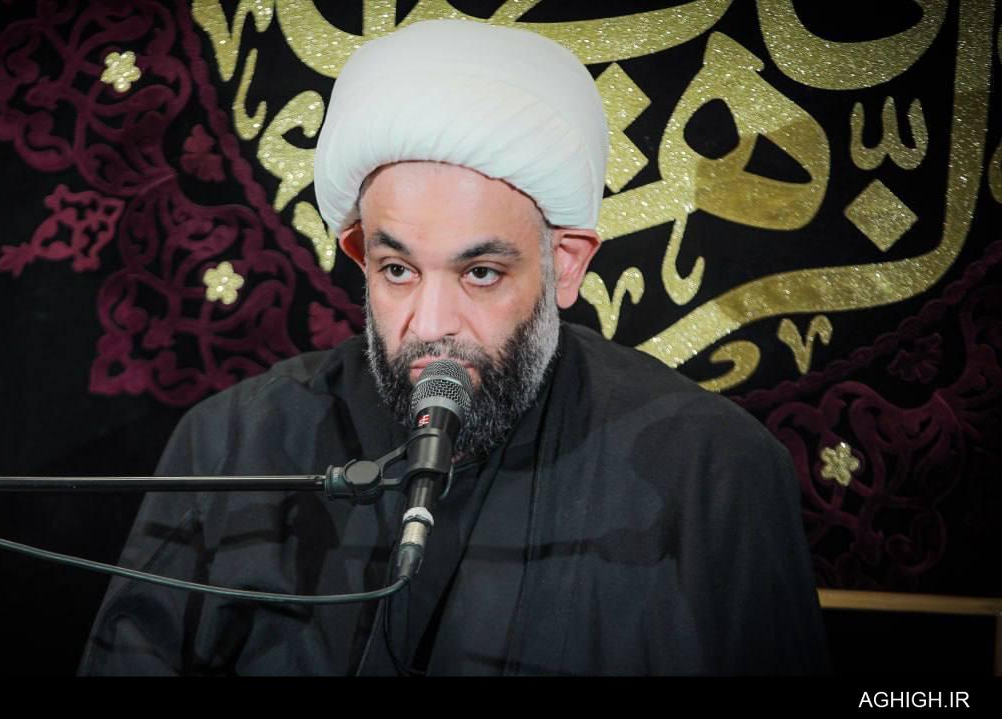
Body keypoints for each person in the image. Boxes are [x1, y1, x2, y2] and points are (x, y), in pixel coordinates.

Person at [80, 19, 829, 676]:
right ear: (359, 254)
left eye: (480, 273)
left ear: (565, 264)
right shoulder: (234, 442)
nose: (432, 323)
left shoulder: (709, 470)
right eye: (397, 270)